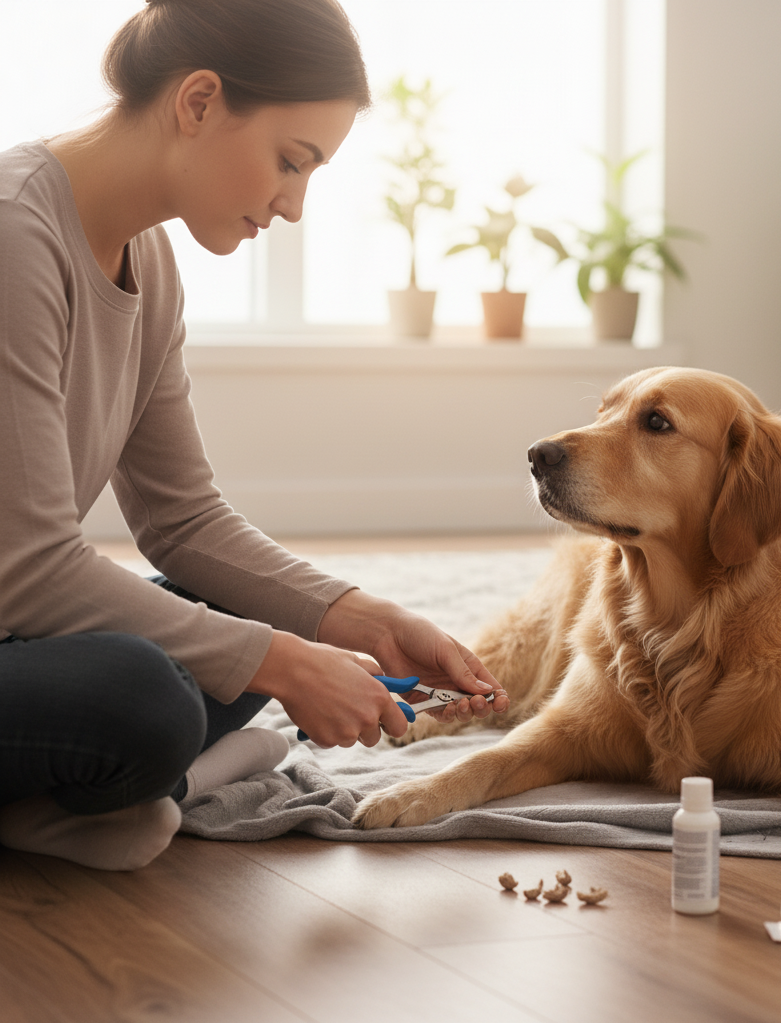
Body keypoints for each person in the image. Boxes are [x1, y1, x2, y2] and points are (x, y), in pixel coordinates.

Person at [0, 0, 507, 872]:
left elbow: (183, 522)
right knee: (147, 697)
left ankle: (62, 795)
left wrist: (359, 620)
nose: (295, 205)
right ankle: (86, 791)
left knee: (242, 613)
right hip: (17, 604)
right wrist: (283, 663)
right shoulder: (12, 236)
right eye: (290, 161)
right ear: (198, 102)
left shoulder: (148, 263)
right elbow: (30, 569)